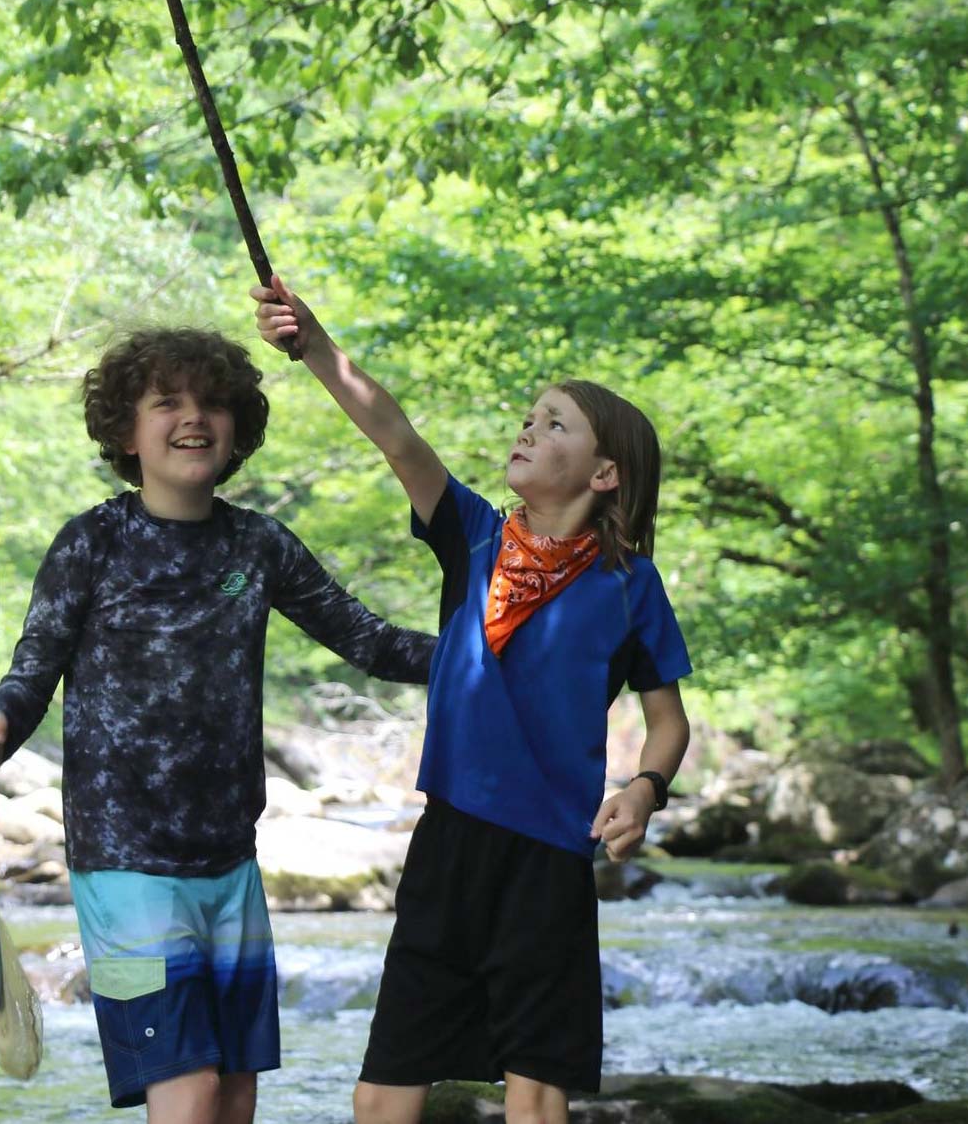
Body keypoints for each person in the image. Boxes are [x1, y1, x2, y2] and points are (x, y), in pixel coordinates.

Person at [0, 325, 435, 1124]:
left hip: (228, 859)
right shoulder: (91, 542)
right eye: (166, 403)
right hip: (125, 861)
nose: (193, 418)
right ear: (122, 430)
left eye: (213, 403)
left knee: (236, 1097)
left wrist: (496, 650)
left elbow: (371, 641)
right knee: (192, 1093)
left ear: (238, 427)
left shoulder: (260, 544)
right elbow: (31, 675)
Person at [253, 279, 694, 1124]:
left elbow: (666, 720)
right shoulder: (475, 536)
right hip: (449, 843)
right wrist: (311, 344)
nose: (529, 427)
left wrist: (643, 790)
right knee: (384, 1090)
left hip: (551, 860)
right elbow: (395, 435)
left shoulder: (630, 586)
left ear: (605, 473)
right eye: (529, 416)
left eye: (555, 422)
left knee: (535, 1092)